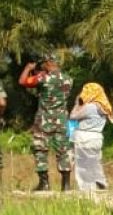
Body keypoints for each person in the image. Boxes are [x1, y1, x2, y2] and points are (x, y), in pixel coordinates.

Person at [19, 53, 74, 192]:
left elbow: (23, 81)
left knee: (40, 149)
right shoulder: (68, 79)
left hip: (44, 121)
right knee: (63, 151)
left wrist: (28, 68)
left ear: (49, 62)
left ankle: (44, 184)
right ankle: (66, 185)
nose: (41, 65)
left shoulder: (42, 77)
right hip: (61, 121)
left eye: (43, 63)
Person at [70, 82, 113, 192]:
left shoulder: (90, 107)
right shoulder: (104, 106)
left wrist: (77, 104)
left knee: (83, 163)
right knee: (94, 161)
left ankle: (87, 188)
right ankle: (100, 181)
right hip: (97, 137)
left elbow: (73, 116)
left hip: (85, 136)